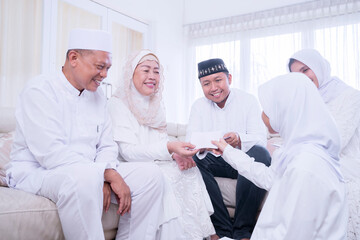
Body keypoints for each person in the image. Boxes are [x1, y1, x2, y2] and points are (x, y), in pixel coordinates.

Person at [6, 29, 164, 240]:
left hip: (90, 171)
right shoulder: (39, 90)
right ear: (74, 58)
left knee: (151, 175)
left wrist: (103, 174)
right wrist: (104, 174)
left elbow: (107, 146)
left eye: (108, 68)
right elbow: (51, 154)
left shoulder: (98, 97)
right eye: (100, 67)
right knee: (84, 178)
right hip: (39, 172)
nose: (105, 74)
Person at [212, 72, 348, 239]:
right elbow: (269, 178)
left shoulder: (306, 167)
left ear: (285, 108)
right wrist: (228, 151)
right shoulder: (299, 151)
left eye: (267, 107)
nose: (263, 114)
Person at [108, 49, 216, 240]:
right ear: (131, 73)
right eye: (146, 70)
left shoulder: (156, 103)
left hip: (153, 159)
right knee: (166, 176)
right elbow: (127, 152)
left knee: (189, 168)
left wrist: (176, 154)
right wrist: (170, 149)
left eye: (156, 71)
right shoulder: (117, 104)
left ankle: (203, 235)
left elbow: (160, 141)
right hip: (130, 165)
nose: (152, 76)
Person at [186, 58, 271, 240]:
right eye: (206, 83)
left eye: (218, 80)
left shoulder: (248, 100)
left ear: (229, 78)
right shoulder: (198, 106)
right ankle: (221, 230)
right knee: (191, 160)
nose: (214, 88)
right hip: (215, 160)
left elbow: (260, 138)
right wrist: (204, 147)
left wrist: (239, 139)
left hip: (241, 159)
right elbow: (190, 141)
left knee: (261, 153)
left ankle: (242, 231)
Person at [288, 48, 360, 239]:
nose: (303, 78)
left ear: (318, 67)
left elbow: (338, 139)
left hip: (345, 164)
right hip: (313, 163)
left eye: (306, 70)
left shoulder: (350, 96)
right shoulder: (304, 103)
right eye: (297, 75)